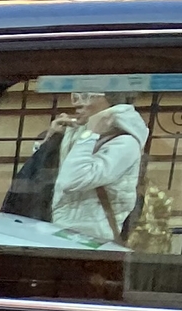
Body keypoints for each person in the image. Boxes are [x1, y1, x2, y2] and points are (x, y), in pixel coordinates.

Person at [48, 89, 148, 247]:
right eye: (75, 95)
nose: (78, 103)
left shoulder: (125, 143)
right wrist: (51, 139)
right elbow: (49, 176)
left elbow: (73, 180)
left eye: (86, 96)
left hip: (91, 240)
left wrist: (90, 134)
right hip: (62, 232)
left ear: (110, 100)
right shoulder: (80, 130)